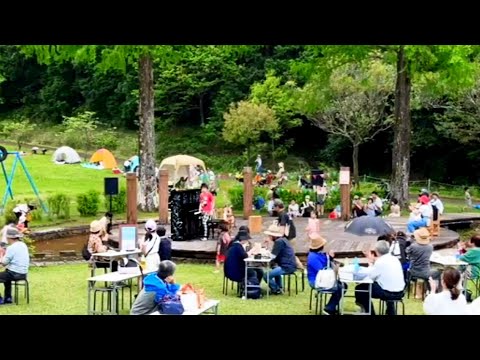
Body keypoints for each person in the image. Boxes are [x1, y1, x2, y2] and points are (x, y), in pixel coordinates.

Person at [355, 240, 406, 315]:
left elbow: (371, 277)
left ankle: (369, 312)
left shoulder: (380, 262)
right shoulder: (395, 259)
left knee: (360, 289)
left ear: (376, 251)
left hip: (388, 293)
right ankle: (390, 311)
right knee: (386, 285)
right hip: (400, 291)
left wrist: (370, 263)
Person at [306, 235, 346, 315]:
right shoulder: (312, 257)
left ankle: (331, 306)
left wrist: (330, 258)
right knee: (340, 287)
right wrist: (329, 259)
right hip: (316, 280)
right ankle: (329, 308)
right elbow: (322, 270)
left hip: (325, 278)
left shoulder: (320, 254)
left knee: (343, 285)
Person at [263, 224, 297, 295]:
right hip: (289, 265)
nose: (269, 237)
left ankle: (276, 289)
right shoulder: (283, 240)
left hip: (286, 267)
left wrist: (264, 252)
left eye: (269, 236)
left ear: (273, 236)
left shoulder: (279, 242)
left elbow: (272, 256)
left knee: (266, 276)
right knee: (274, 268)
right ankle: (279, 287)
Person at [0, 228, 29, 305]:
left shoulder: (11, 248)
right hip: (23, 274)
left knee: (6, 274)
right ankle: (8, 298)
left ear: (9, 238)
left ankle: (0, 299)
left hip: (14, 273)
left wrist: (2, 256)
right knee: (6, 274)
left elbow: (4, 262)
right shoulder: (23, 245)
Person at [274, 200, 302, 270]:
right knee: (291, 253)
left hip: (289, 237)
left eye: (274, 207)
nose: (274, 209)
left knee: (291, 254)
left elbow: (282, 227)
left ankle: (301, 268)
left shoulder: (283, 214)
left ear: (277, 207)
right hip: (292, 235)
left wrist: (279, 238)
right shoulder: (285, 213)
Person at [406, 228, 434, 298]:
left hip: (414, 271)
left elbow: (406, 251)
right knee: (437, 272)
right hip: (426, 272)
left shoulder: (413, 246)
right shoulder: (430, 247)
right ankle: (430, 291)